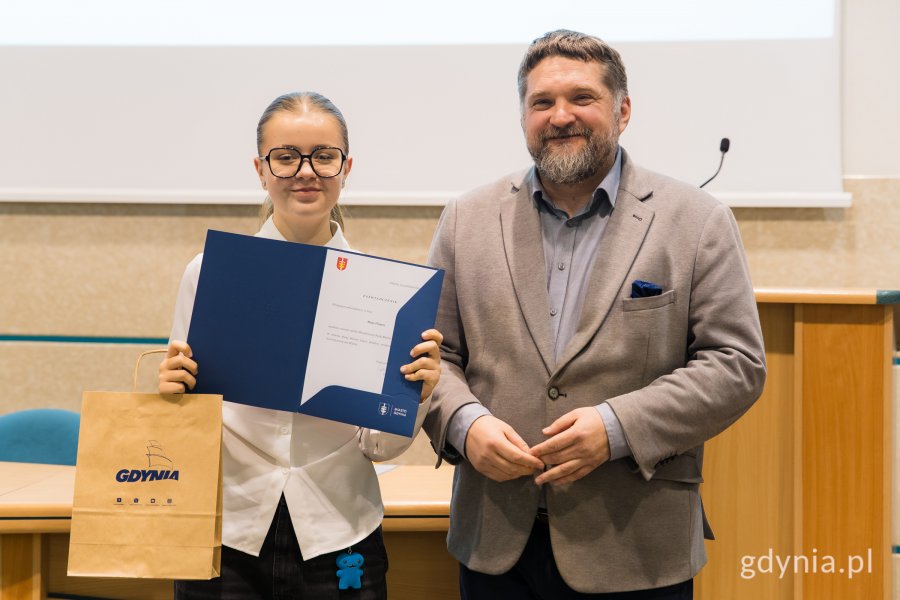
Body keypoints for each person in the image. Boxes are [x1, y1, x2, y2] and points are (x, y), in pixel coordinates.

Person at [424, 30, 766, 599]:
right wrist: (464, 424)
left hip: (635, 546)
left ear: (622, 110)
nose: (561, 116)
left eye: (582, 98)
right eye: (542, 103)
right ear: (523, 116)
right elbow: (434, 356)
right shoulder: (466, 218)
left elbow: (735, 365)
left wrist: (615, 429)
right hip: (496, 545)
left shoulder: (697, 220)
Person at [159, 91, 443, 600]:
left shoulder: (381, 293)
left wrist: (415, 398)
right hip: (226, 531)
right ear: (261, 169)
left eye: (324, 156)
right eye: (286, 156)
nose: (305, 171)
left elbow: (378, 448)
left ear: (346, 166)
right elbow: (188, 422)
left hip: (340, 530)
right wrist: (173, 395)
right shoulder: (209, 275)